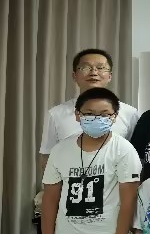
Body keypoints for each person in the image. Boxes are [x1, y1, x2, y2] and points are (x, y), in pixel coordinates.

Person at [40, 87, 141, 234]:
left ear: (114, 117)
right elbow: (50, 200)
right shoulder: (60, 150)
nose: (97, 119)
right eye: (89, 113)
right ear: (77, 115)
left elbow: (129, 202)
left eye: (105, 114)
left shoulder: (123, 150)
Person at [39, 49, 139, 177]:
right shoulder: (56, 114)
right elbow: (47, 156)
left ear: (110, 76)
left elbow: (135, 156)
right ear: (74, 76)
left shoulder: (129, 113)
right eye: (85, 67)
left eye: (101, 68)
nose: (94, 72)